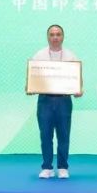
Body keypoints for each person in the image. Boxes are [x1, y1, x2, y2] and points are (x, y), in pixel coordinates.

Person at [30, 24, 82, 179]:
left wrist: (79, 89)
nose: (55, 37)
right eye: (52, 34)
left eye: (58, 34)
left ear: (63, 37)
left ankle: (62, 167)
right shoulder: (39, 55)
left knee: (63, 135)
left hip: (63, 101)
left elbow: (78, 79)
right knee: (45, 135)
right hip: (45, 100)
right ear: (48, 37)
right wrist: (30, 86)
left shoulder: (71, 56)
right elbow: (32, 77)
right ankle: (47, 167)